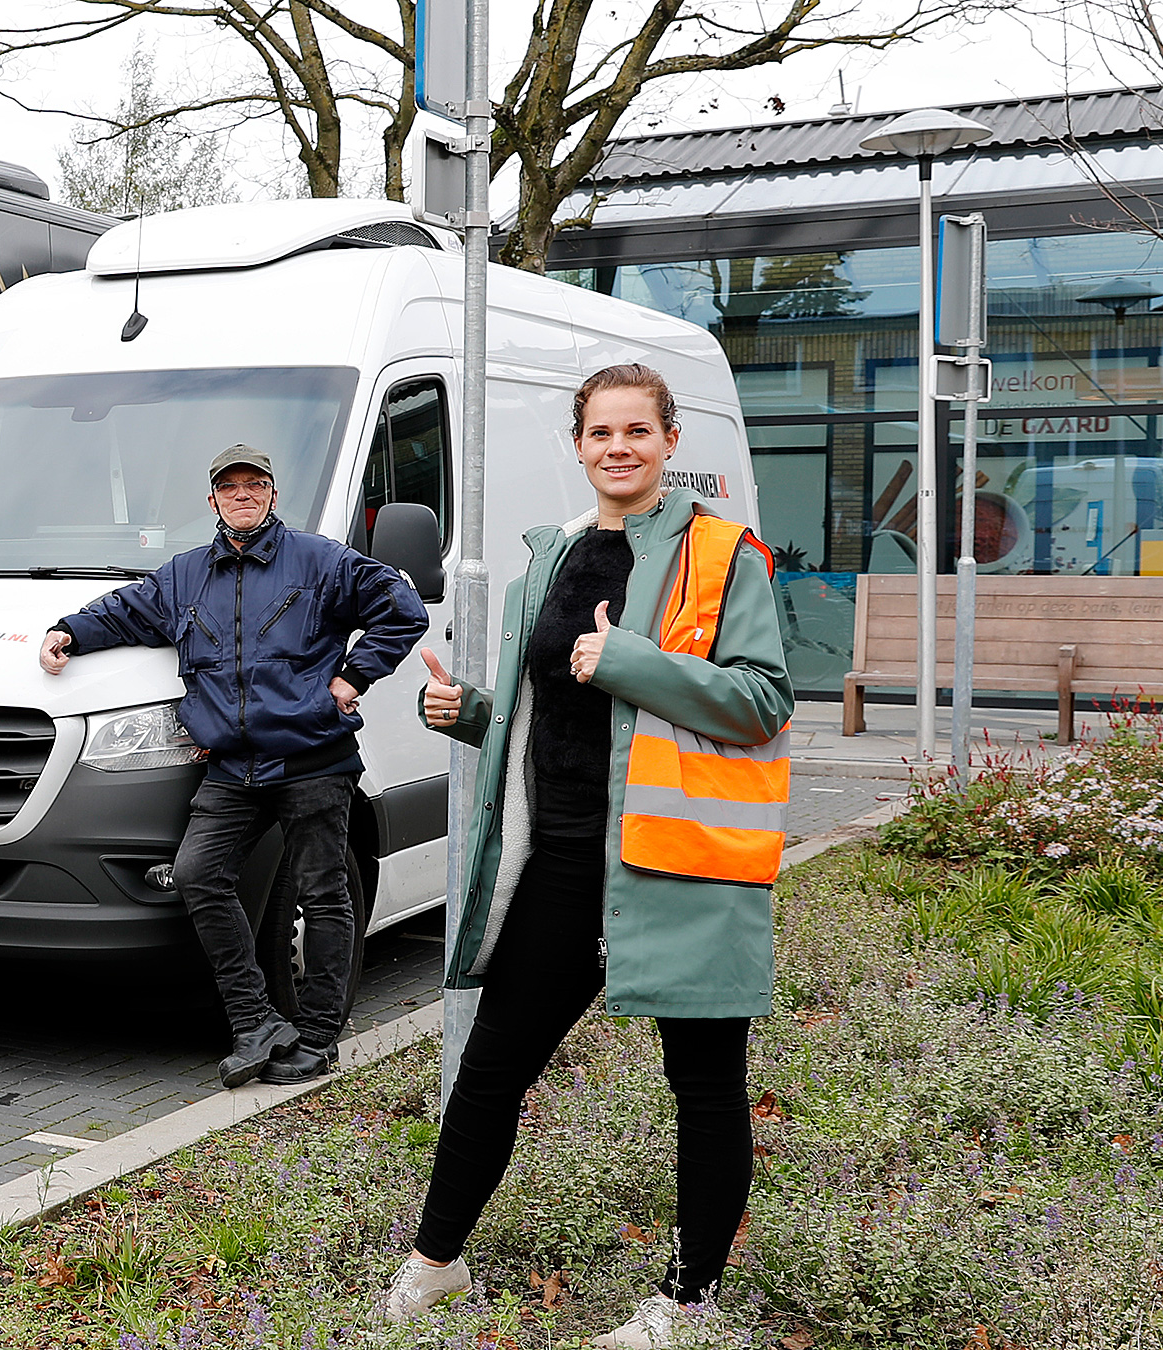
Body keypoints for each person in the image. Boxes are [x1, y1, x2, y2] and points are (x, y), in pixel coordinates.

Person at [383, 364, 792, 1348]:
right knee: (490, 1068)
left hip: (678, 857)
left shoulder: (722, 555)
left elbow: (763, 701)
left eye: (638, 430)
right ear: (578, 444)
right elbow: (544, 716)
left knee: (703, 1089)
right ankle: (435, 1267)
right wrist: (468, 713)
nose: (619, 446)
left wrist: (632, 662)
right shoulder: (551, 561)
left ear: (668, 441)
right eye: (601, 431)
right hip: (563, 858)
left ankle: (687, 1307)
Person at [38, 443, 428, 1088]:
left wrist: (353, 677)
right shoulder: (184, 575)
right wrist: (70, 633)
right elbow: (125, 611)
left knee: (323, 893)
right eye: (230, 486)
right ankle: (256, 1020)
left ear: (273, 494)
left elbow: (401, 608)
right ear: (213, 499)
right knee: (198, 874)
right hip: (231, 766)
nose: (242, 494)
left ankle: (320, 1037)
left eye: (255, 484)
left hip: (312, 759)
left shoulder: (321, 561)